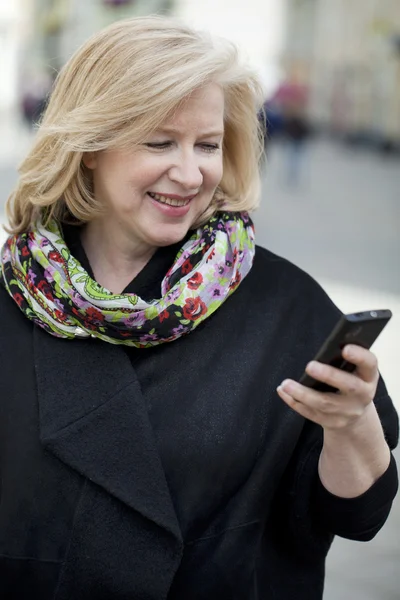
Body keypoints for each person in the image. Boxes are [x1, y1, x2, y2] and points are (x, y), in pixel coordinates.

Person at [0, 16, 398, 600]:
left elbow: (360, 515)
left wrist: (350, 426)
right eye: (160, 142)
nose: (190, 174)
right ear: (88, 147)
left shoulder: (286, 307)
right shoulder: (14, 294)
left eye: (207, 145)